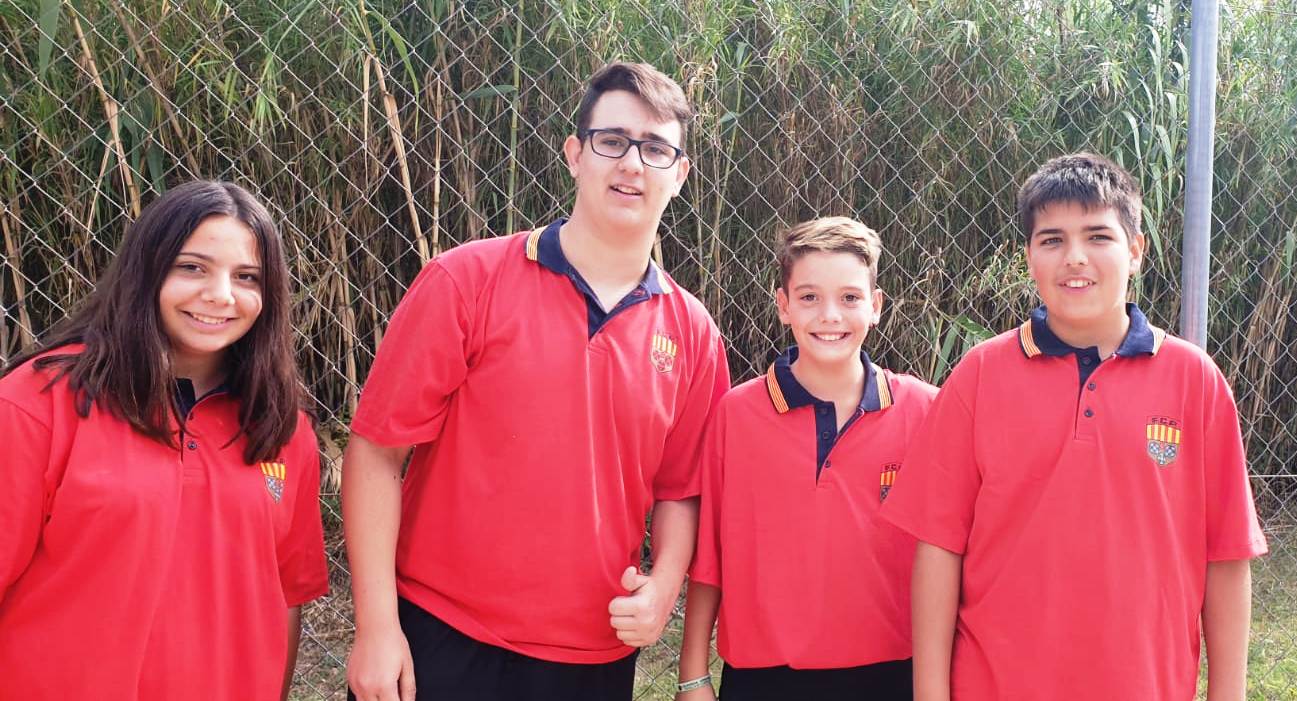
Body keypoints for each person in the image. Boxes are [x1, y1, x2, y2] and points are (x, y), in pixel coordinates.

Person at [343, 62, 731, 701]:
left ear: (680, 174)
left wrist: (663, 584)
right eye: (612, 141)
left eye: (657, 149)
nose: (632, 164)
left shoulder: (692, 332)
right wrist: (376, 626)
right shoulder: (465, 281)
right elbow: (377, 451)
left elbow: (681, 489)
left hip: (588, 654)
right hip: (438, 632)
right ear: (575, 153)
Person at [881, 152, 1268, 701]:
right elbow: (939, 549)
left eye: (1098, 237)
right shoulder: (980, 376)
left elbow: (1225, 556)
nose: (1075, 258)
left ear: (1136, 251)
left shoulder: (1194, 380)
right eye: (1053, 240)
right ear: (1028, 257)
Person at [0, 180, 329, 699]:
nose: (220, 295)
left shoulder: (283, 429)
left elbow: (286, 595)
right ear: (146, 270)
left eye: (247, 277)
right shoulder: (37, 403)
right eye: (192, 267)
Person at [674, 217, 936, 701]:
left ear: (876, 307)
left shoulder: (925, 412)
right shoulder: (737, 414)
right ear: (783, 305)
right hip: (765, 676)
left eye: (850, 298)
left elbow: (947, 558)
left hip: (892, 672)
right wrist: (694, 674)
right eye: (810, 297)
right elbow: (709, 554)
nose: (830, 315)